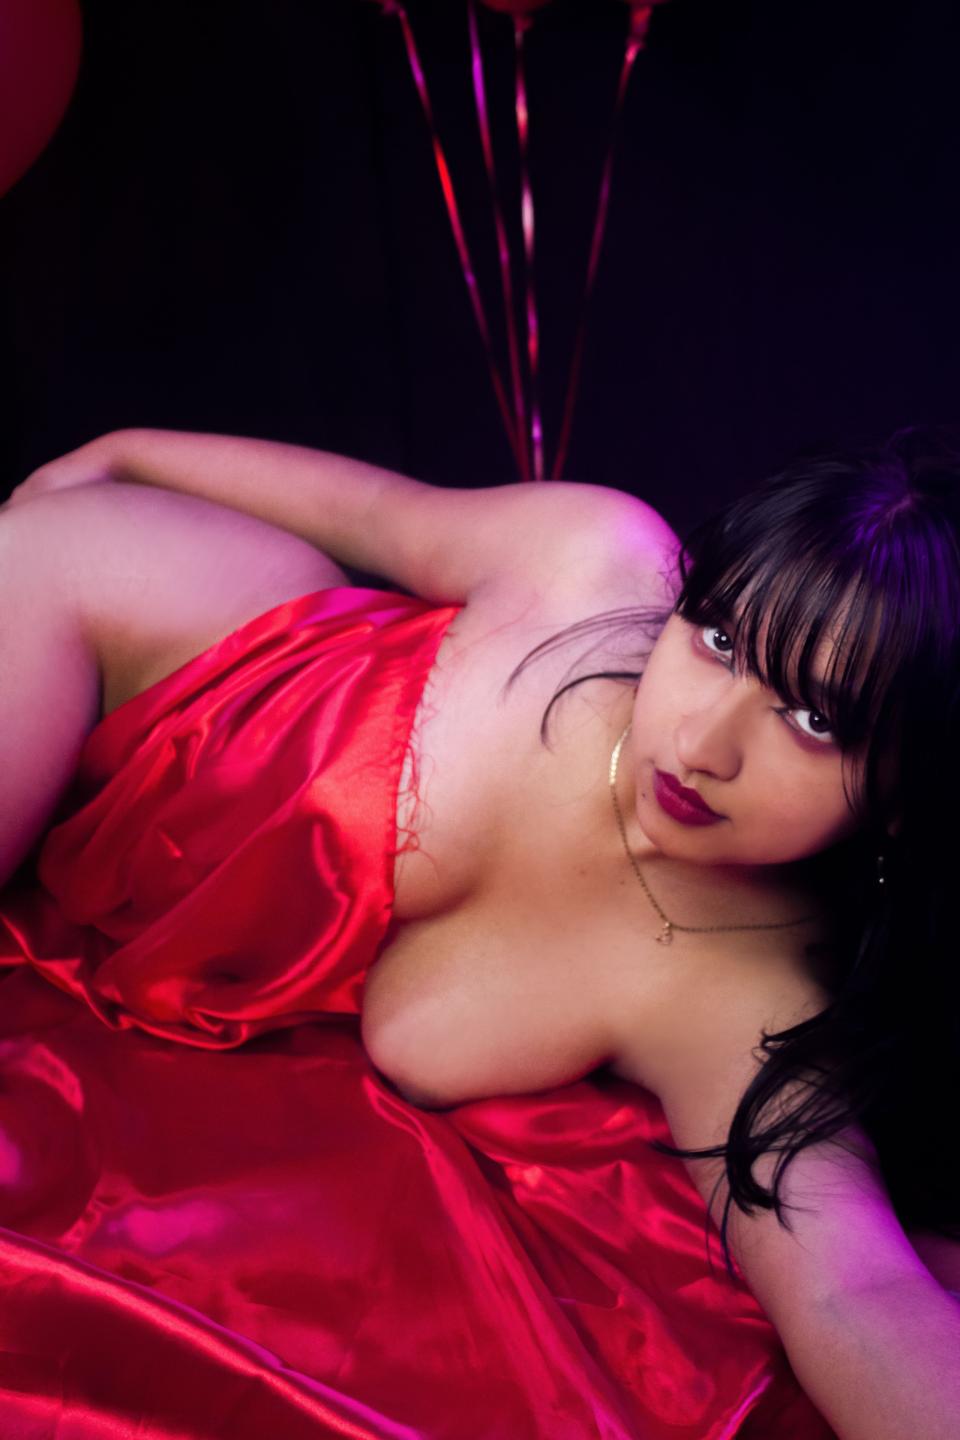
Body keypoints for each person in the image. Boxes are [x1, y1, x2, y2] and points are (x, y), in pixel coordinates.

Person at [1, 424, 959, 1440]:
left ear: (902, 797)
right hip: (107, 618)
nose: (701, 743)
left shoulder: (745, 999)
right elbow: (378, 511)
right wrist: (117, 456)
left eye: (812, 722)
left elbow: (851, 1295)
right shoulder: (596, 563)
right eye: (718, 640)